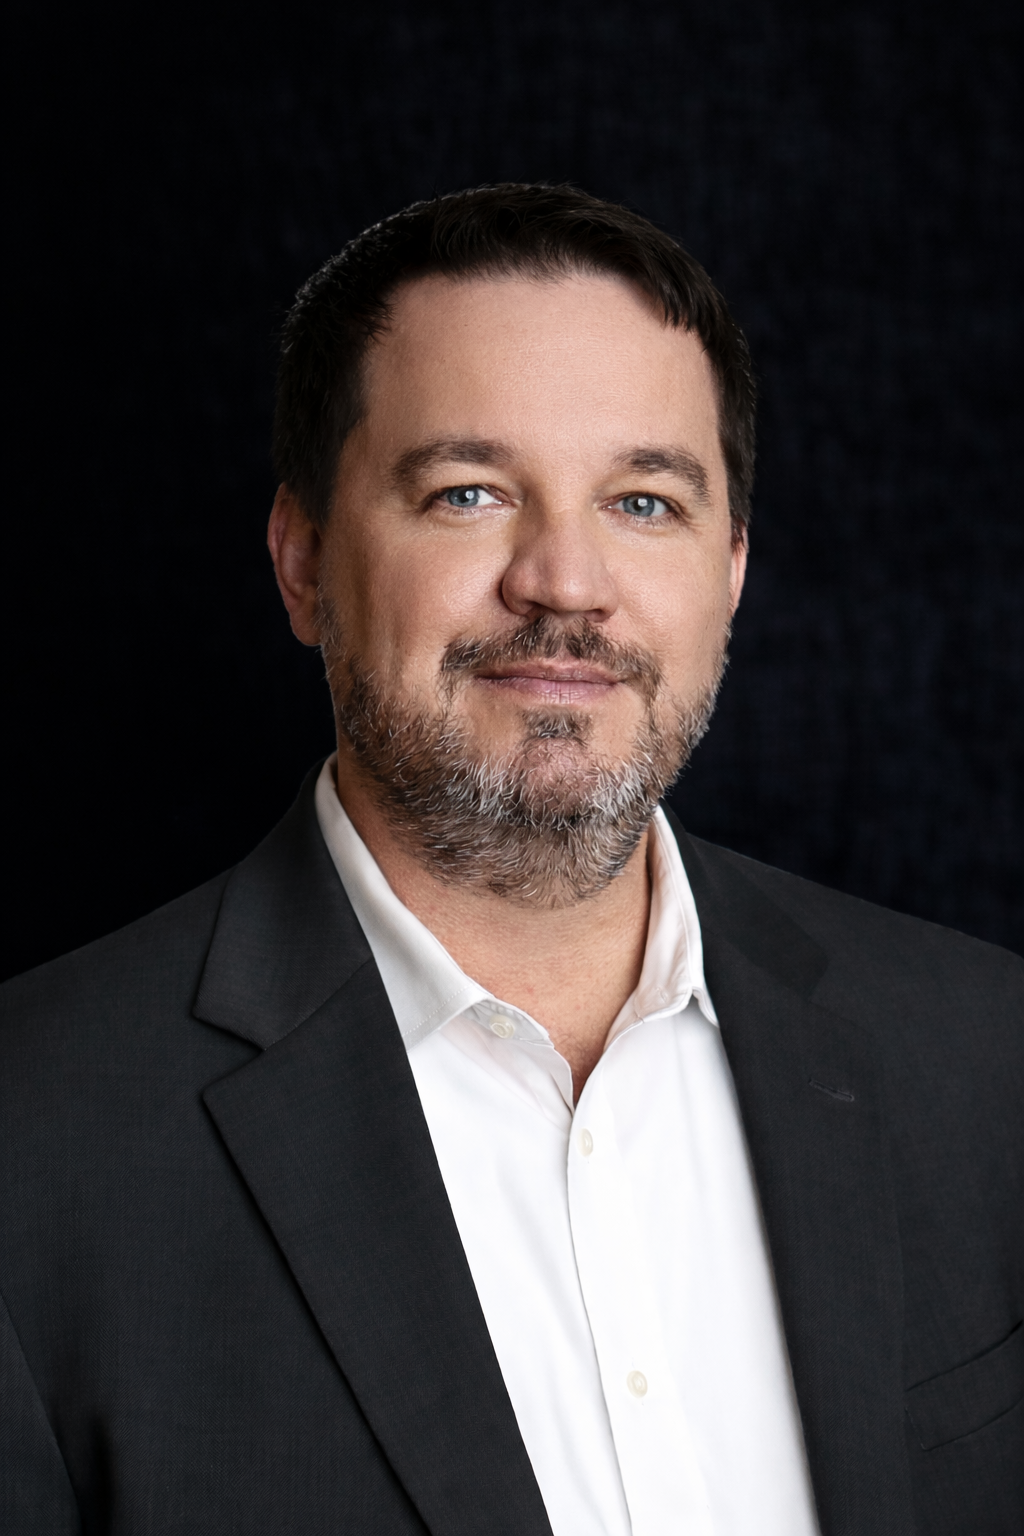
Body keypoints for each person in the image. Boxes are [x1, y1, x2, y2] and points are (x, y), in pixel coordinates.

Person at [0, 184, 1020, 1536]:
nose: (565, 581)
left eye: (644, 501)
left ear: (732, 571)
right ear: (303, 561)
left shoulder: (986, 1057)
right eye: (468, 492)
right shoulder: (37, 1138)